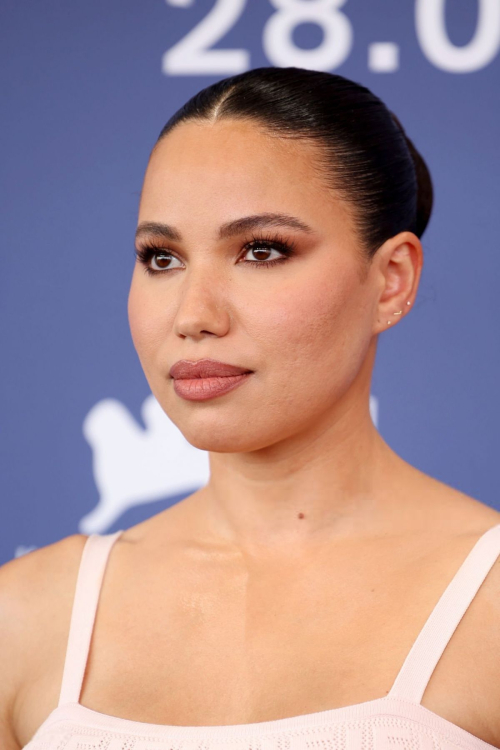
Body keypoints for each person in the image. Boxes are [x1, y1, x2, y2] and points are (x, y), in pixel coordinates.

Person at [1, 67, 500, 750]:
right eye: (162, 258)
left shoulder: (490, 606)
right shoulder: (27, 617)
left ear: (391, 280)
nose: (192, 315)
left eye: (261, 251)